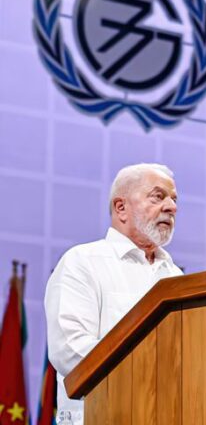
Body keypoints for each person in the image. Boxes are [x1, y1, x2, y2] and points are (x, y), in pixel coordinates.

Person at [45, 163, 183, 424]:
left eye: (174, 200)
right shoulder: (82, 261)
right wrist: (149, 378)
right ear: (121, 208)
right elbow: (70, 350)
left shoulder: (177, 278)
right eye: (158, 196)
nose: (172, 207)